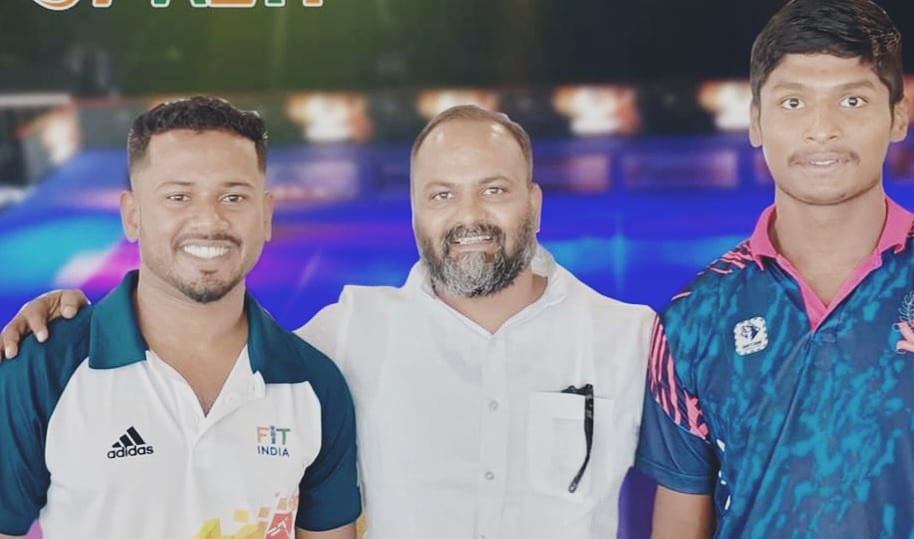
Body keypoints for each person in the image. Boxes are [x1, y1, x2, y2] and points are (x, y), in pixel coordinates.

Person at [1, 104, 654, 538]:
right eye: (442, 194)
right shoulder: (349, 333)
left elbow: (690, 482)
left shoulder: (630, 338)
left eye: (495, 189)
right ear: (414, 210)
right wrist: (70, 319)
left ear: (534, 201)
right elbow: (206, 336)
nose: (469, 215)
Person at [634, 0, 914, 537]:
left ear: (898, 116)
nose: (822, 130)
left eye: (852, 100)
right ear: (756, 122)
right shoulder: (694, 317)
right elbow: (681, 518)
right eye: (794, 102)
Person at [0, 97, 361, 539]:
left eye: (233, 197)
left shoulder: (316, 384)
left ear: (265, 216)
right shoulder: (43, 366)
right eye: (178, 196)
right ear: (133, 216)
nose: (209, 220)